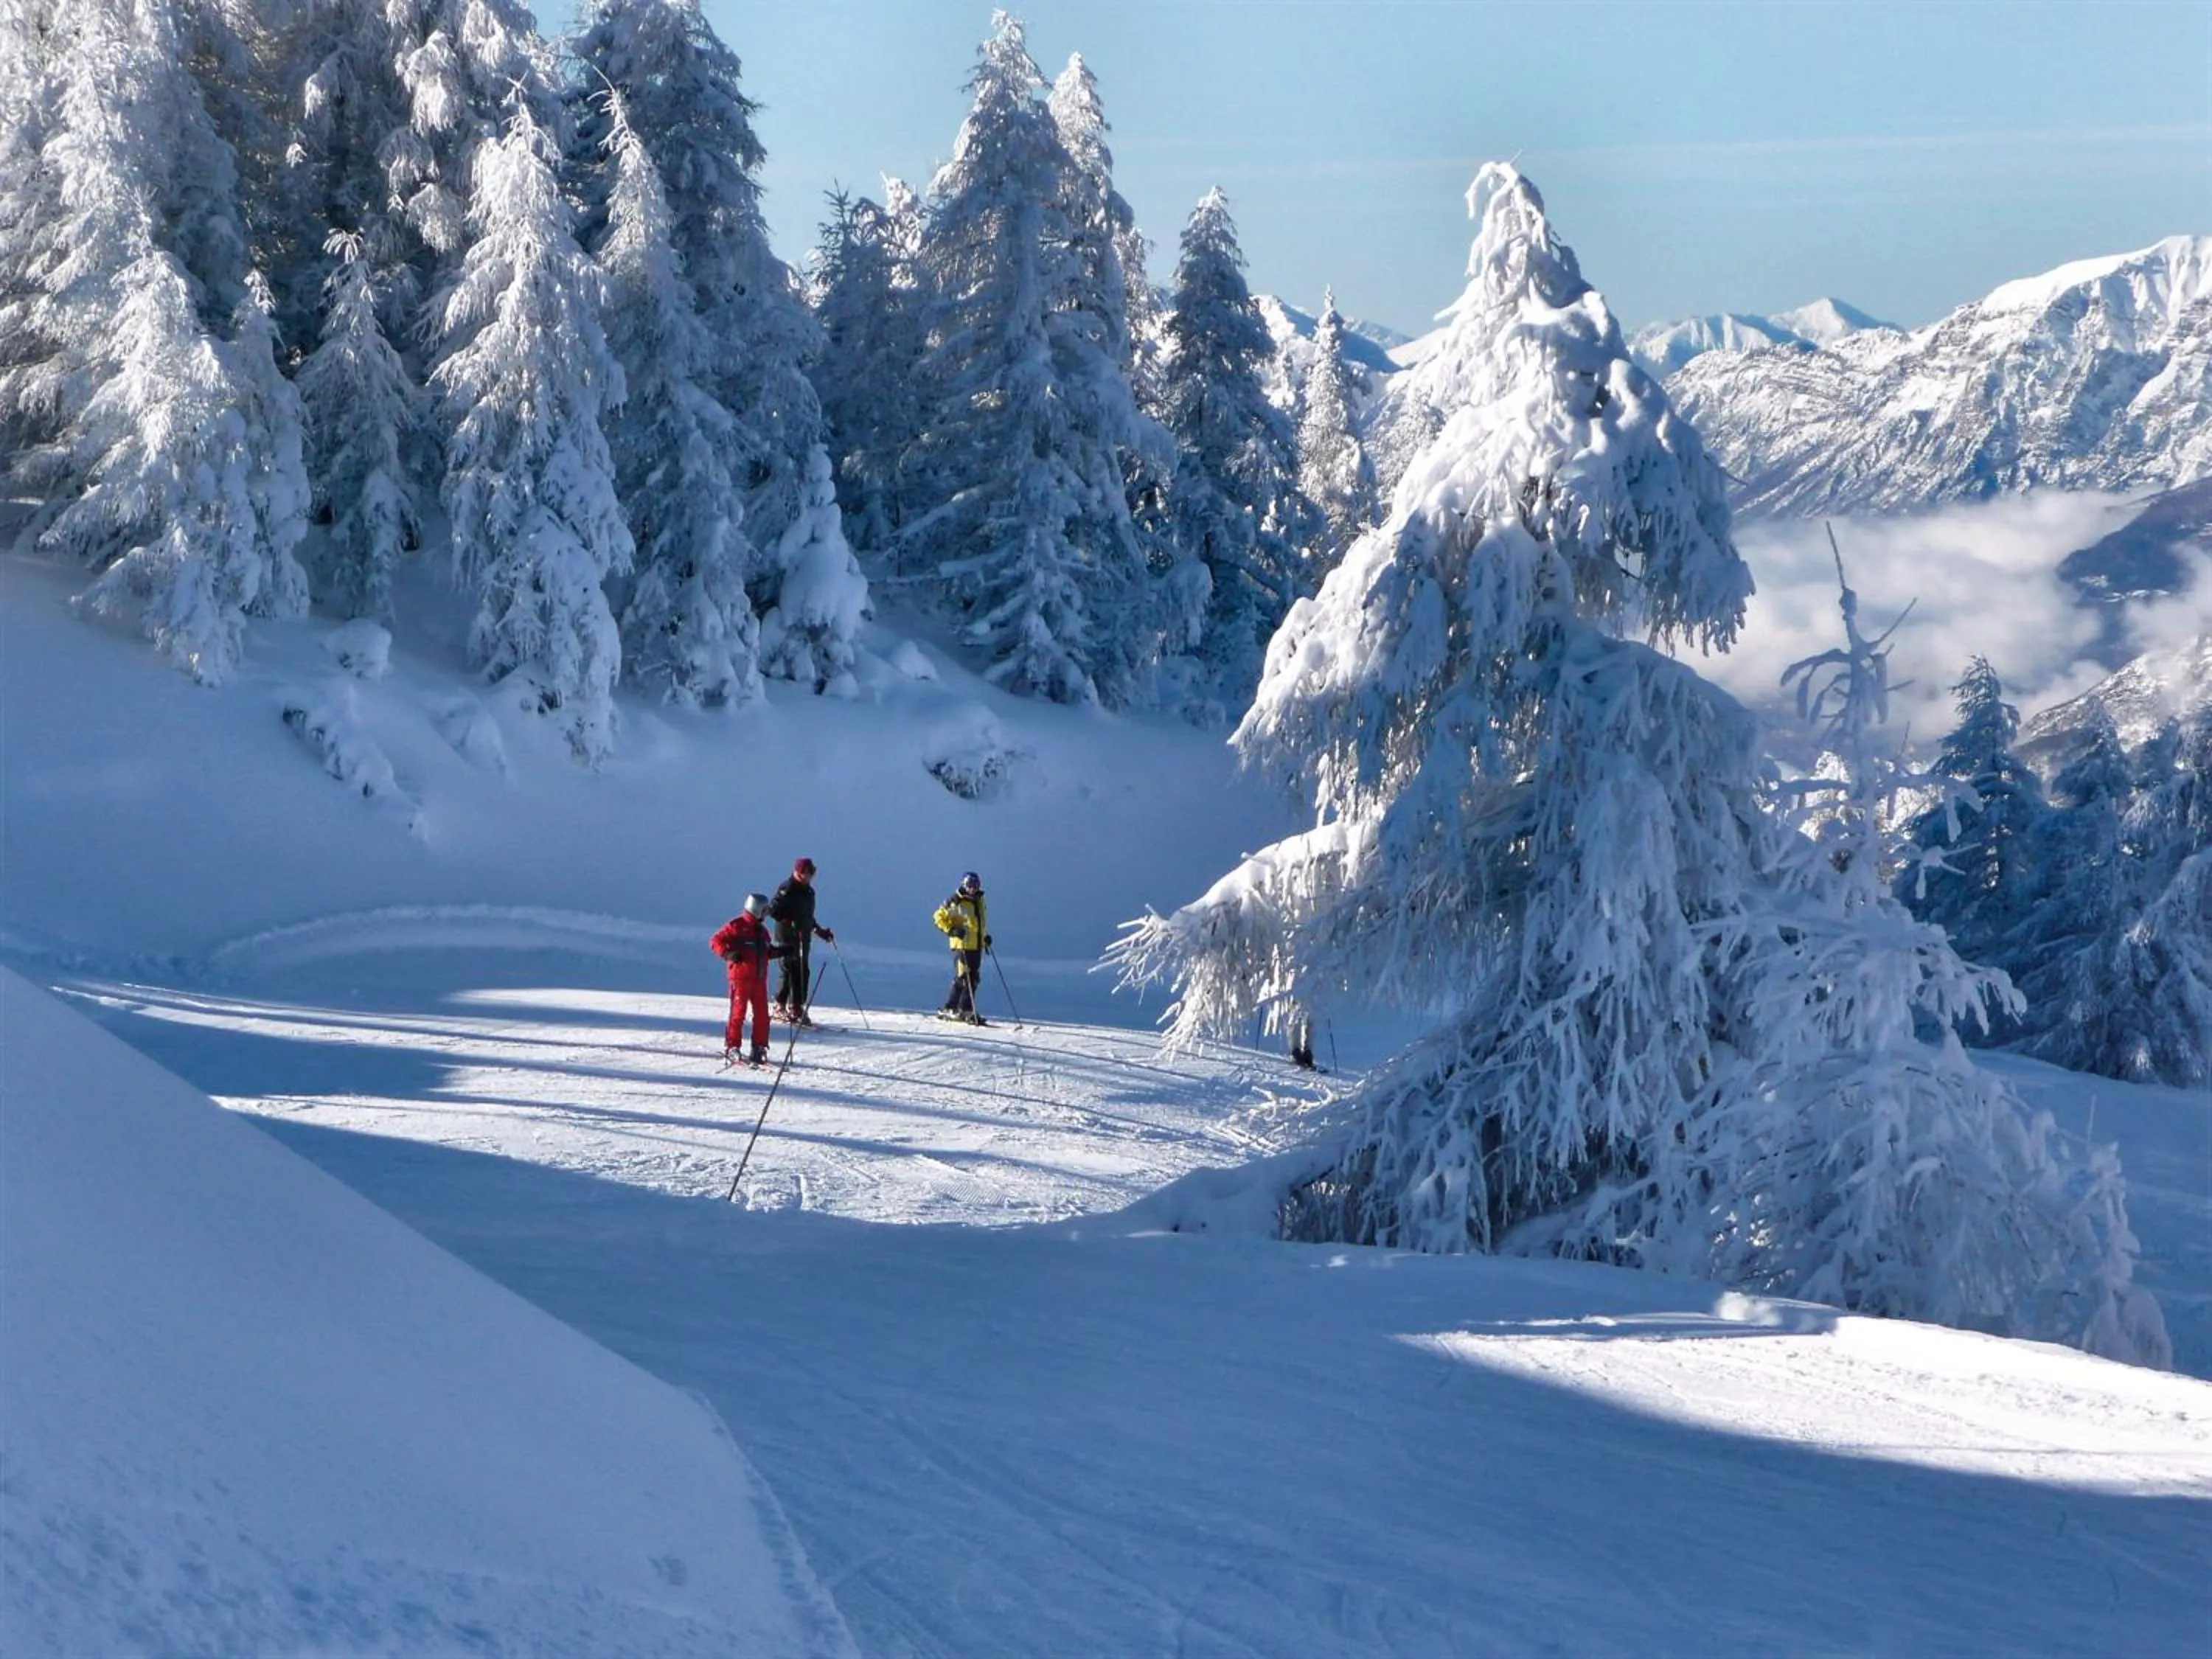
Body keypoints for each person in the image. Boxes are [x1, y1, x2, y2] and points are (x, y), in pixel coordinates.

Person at [711, 893, 790, 1064]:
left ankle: (759, 1047)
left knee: (762, 1015)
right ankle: (733, 1046)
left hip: (759, 979)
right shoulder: (736, 926)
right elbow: (716, 941)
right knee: (738, 1013)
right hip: (740, 978)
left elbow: (767, 952)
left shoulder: (762, 932)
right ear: (756, 909)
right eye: (764, 910)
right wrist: (728, 953)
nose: (766, 913)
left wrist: (782, 951)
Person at [768, 855, 835, 1024]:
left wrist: (819, 931)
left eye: (811, 873)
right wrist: (790, 922)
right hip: (787, 938)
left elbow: (807, 917)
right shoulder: (788, 888)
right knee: (788, 970)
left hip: (803, 938)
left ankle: (797, 1007)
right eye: (806, 873)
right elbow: (773, 910)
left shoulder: (809, 892)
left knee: (803, 972)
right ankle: (779, 1006)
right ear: (798, 872)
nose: (809, 876)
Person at [932, 870, 990, 1024]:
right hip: (962, 945)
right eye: (970, 885)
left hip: (976, 946)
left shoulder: (979, 901)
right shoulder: (956, 901)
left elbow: (979, 924)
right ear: (964, 885)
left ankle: (966, 1010)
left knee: (974, 978)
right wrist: (951, 930)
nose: (973, 889)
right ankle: (949, 1008)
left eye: (976, 885)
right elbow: (938, 917)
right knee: (963, 978)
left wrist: (985, 938)